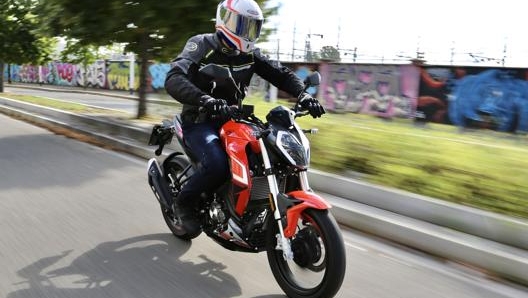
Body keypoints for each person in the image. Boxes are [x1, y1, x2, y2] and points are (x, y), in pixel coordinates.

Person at [164, 0, 325, 234]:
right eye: (242, 25)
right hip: (200, 121)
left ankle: (248, 209)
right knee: (218, 165)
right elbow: (174, 78)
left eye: (252, 27)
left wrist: (303, 94)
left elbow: (280, 74)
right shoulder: (202, 45)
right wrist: (205, 100)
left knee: (267, 153)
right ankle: (183, 204)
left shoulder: (250, 55)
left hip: (234, 120)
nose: (247, 33)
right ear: (226, 20)